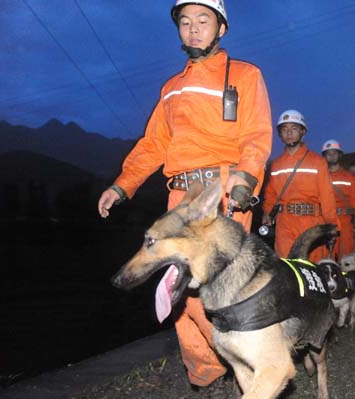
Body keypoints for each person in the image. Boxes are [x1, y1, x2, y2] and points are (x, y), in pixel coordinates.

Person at [97, 0, 272, 389]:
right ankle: (209, 377)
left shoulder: (244, 75)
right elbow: (153, 145)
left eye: (203, 20)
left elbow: (257, 135)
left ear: (221, 28)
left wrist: (245, 179)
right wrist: (121, 185)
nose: (193, 29)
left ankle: (248, 368)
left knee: (227, 289)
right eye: (185, 22)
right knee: (181, 295)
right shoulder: (171, 89)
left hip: (222, 198)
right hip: (179, 201)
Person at [262, 110, 339, 262]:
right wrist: (266, 212)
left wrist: (332, 225)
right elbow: (271, 194)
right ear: (280, 134)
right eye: (284, 129)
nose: (289, 133)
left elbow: (327, 196)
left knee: (312, 267)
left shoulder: (317, 161)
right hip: (285, 224)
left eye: (294, 128)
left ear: (302, 131)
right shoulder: (276, 164)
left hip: (312, 222)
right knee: (287, 267)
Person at [322, 139, 355, 259]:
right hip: (326, 220)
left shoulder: (349, 177)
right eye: (328, 153)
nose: (332, 156)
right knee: (326, 255)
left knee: (346, 256)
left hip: (345, 221)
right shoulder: (321, 176)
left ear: (340, 155)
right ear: (324, 156)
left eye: (335, 153)